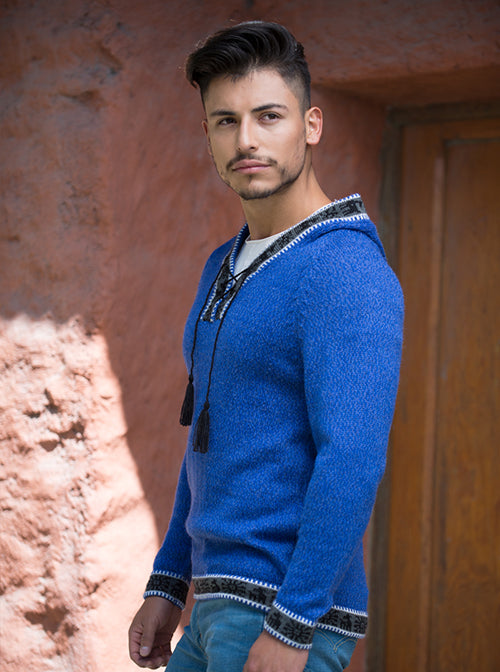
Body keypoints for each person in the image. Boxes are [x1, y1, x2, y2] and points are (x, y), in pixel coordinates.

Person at [128, 20, 403, 672]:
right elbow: (208, 435)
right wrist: (169, 580)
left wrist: (294, 625)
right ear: (207, 135)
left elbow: (352, 460)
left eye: (268, 116)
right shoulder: (222, 265)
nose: (246, 139)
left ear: (311, 125)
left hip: (281, 611)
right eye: (225, 121)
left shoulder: (344, 270)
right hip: (212, 605)